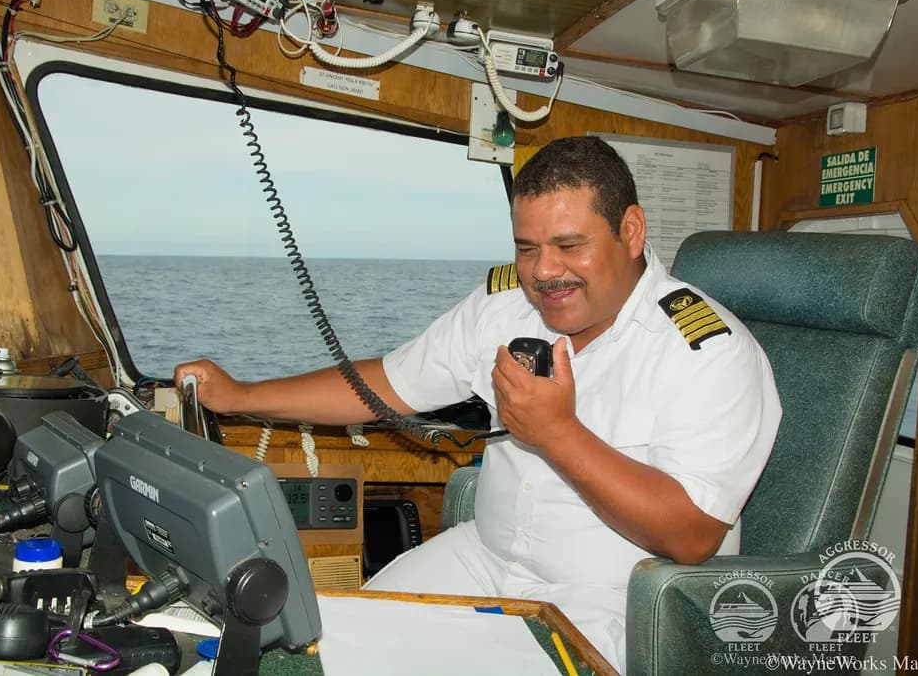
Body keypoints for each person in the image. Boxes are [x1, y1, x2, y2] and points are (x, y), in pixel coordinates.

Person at [174, 136, 782, 672]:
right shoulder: (505, 306)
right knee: (324, 645)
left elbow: (692, 534)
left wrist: (557, 433)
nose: (544, 272)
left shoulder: (707, 350)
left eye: (570, 246)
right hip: (485, 556)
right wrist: (239, 396)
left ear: (630, 231)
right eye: (526, 248)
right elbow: (384, 383)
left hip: (611, 601)